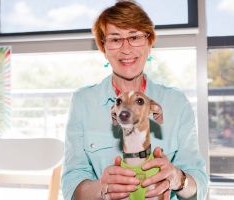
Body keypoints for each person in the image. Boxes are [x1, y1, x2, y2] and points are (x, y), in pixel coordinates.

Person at [61, 1, 208, 200]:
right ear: (103, 47)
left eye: (135, 37)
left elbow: (199, 185)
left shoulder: (176, 102)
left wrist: (177, 178)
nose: (126, 49)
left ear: (149, 42)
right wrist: (101, 187)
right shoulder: (83, 101)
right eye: (115, 39)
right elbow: (71, 183)